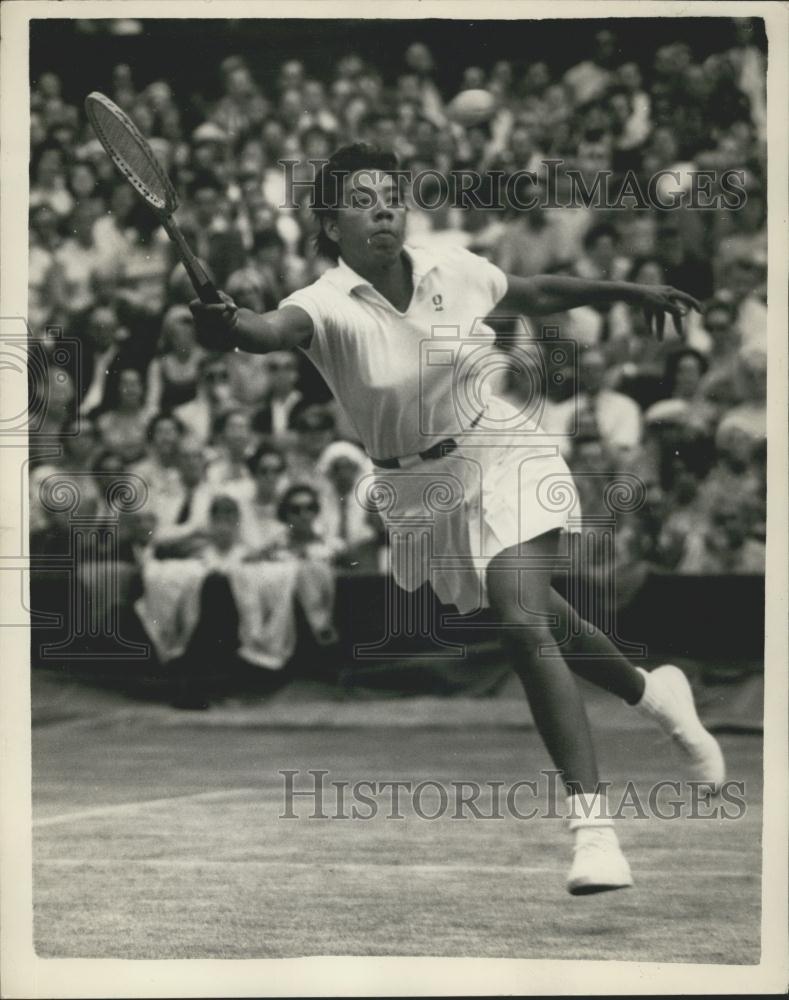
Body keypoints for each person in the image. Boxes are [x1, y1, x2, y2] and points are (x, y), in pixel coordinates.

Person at [190, 142, 725, 896]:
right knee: (545, 622)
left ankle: (592, 828)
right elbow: (265, 331)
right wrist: (228, 327)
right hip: (417, 490)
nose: (382, 207)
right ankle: (656, 698)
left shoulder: (450, 265)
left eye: (391, 194)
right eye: (361, 198)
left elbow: (536, 289)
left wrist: (628, 294)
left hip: (501, 447)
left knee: (520, 621)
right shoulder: (322, 302)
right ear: (328, 223)